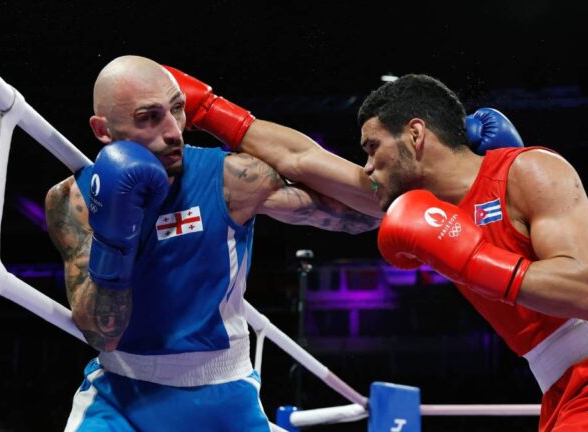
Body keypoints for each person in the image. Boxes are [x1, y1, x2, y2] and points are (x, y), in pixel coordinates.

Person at [167, 68, 588, 430]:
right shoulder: (410, 203)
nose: (365, 166)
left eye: (372, 147)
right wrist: (207, 109)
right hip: (562, 391)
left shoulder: (531, 170)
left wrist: (470, 254)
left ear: (415, 134)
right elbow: (300, 157)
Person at [44, 55, 380, 432]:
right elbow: (102, 334)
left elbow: (365, 211)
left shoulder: (232, 179)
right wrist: (115, 235)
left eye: (177, 110)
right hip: (120, 397)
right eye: (149, 117)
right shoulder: (73, 202)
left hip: (226, 396)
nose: (174, 131)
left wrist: (221, 115)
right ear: (103, 130)